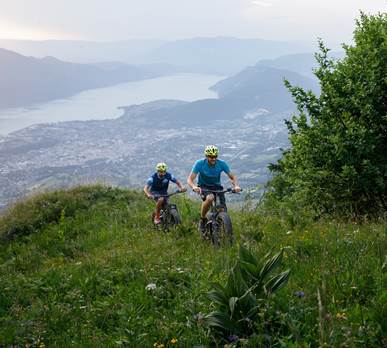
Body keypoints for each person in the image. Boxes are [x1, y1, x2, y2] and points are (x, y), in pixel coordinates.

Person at [187, 145, 241, 234]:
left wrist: (236, 186)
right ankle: (203, 219)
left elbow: (233, 176)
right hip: (204, 186)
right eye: (211, 157)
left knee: (222, 210)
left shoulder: (221, 163)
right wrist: (194, 187)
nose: (213, 159)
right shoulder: (200, 163)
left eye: (215, 156)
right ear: (206, 156)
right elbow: (190, 179)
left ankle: (222, 230)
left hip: (217, 187)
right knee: (210, 198)